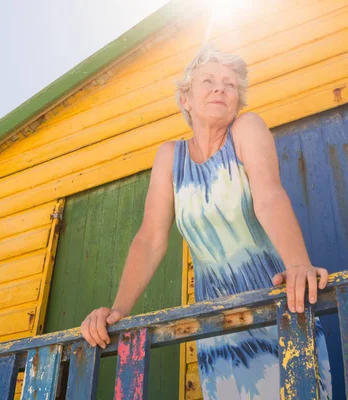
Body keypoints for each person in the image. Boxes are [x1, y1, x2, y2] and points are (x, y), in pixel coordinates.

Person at [80, 45, 332, 399]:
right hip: (219, 330)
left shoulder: (246, 128)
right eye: (209, 81)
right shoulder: (170, 157)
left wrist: (299, 265)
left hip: (279, 311)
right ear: (185, 98)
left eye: (230, 84)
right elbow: (151, 238)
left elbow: (269, 197)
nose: (220, 89)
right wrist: (118, 310)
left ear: (238, 101)